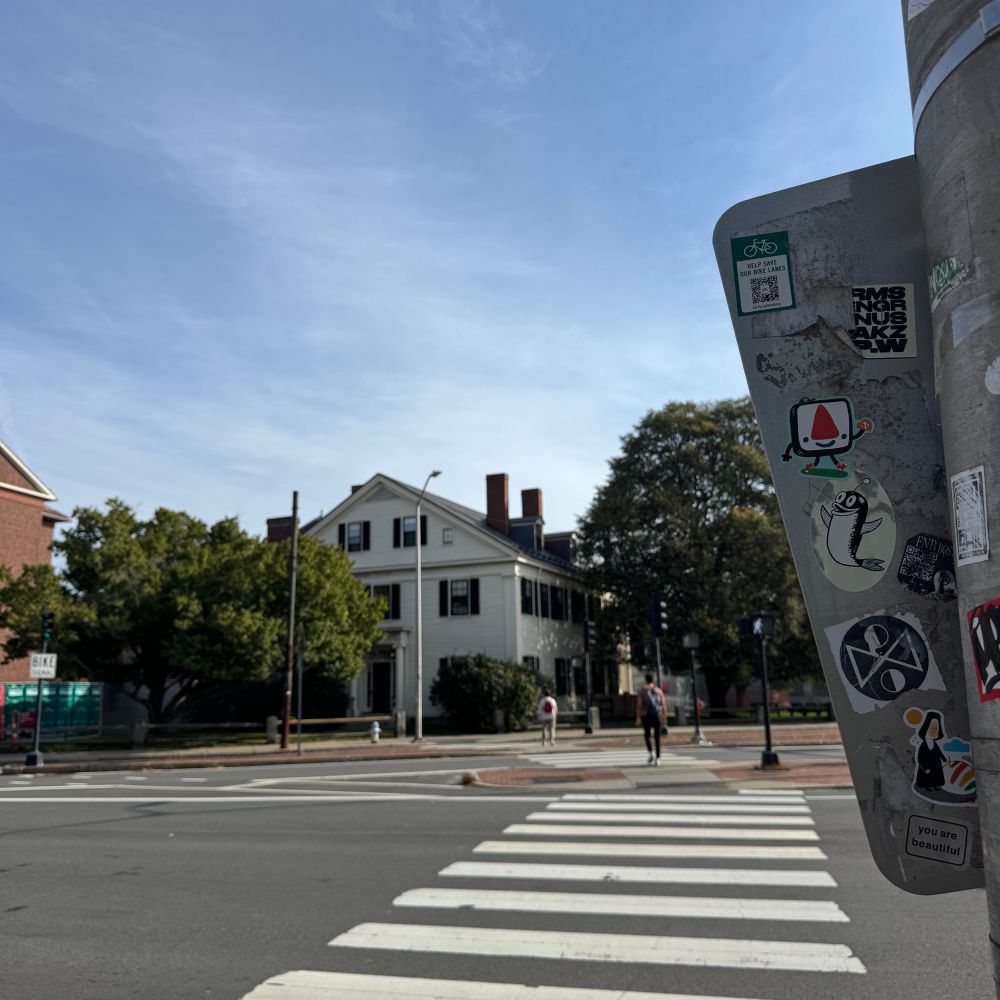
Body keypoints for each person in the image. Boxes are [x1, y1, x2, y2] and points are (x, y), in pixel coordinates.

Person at [635, 673, 666, 765]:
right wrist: (664, 717)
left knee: (647, 735)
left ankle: (651, 753)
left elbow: (639, 705)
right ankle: (658, 758)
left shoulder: (643, 691)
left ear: (646, 680)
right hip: (657, 715)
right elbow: (663, 704)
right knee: (657, 737)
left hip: (646, 715)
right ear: (653, 680)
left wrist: (638, 717)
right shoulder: (658, 690)